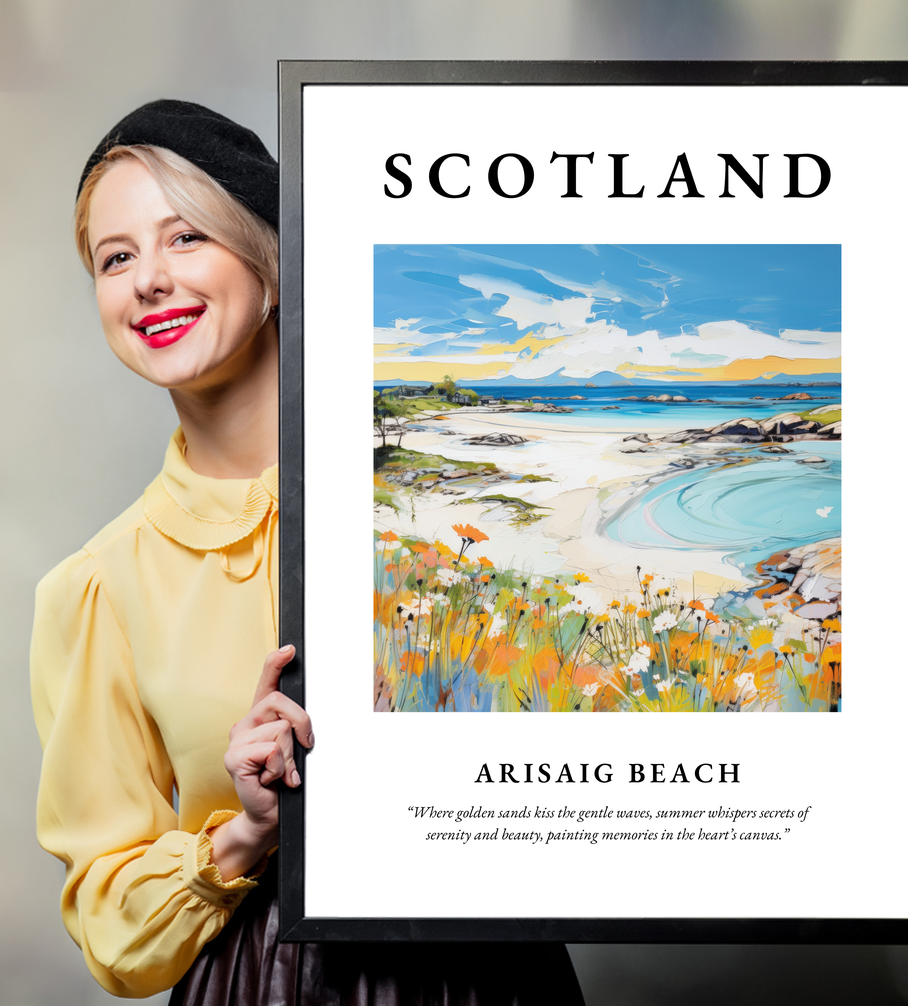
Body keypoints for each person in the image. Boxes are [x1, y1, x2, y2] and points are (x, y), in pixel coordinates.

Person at [30, 100, 585, 1004]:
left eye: (186, 239)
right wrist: (245, 832)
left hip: (493, 973)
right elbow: (110, 924)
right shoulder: (98, 587)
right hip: (263, 981)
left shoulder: (430, 505)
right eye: (116, 257)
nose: (148, 281)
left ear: (273, 264)